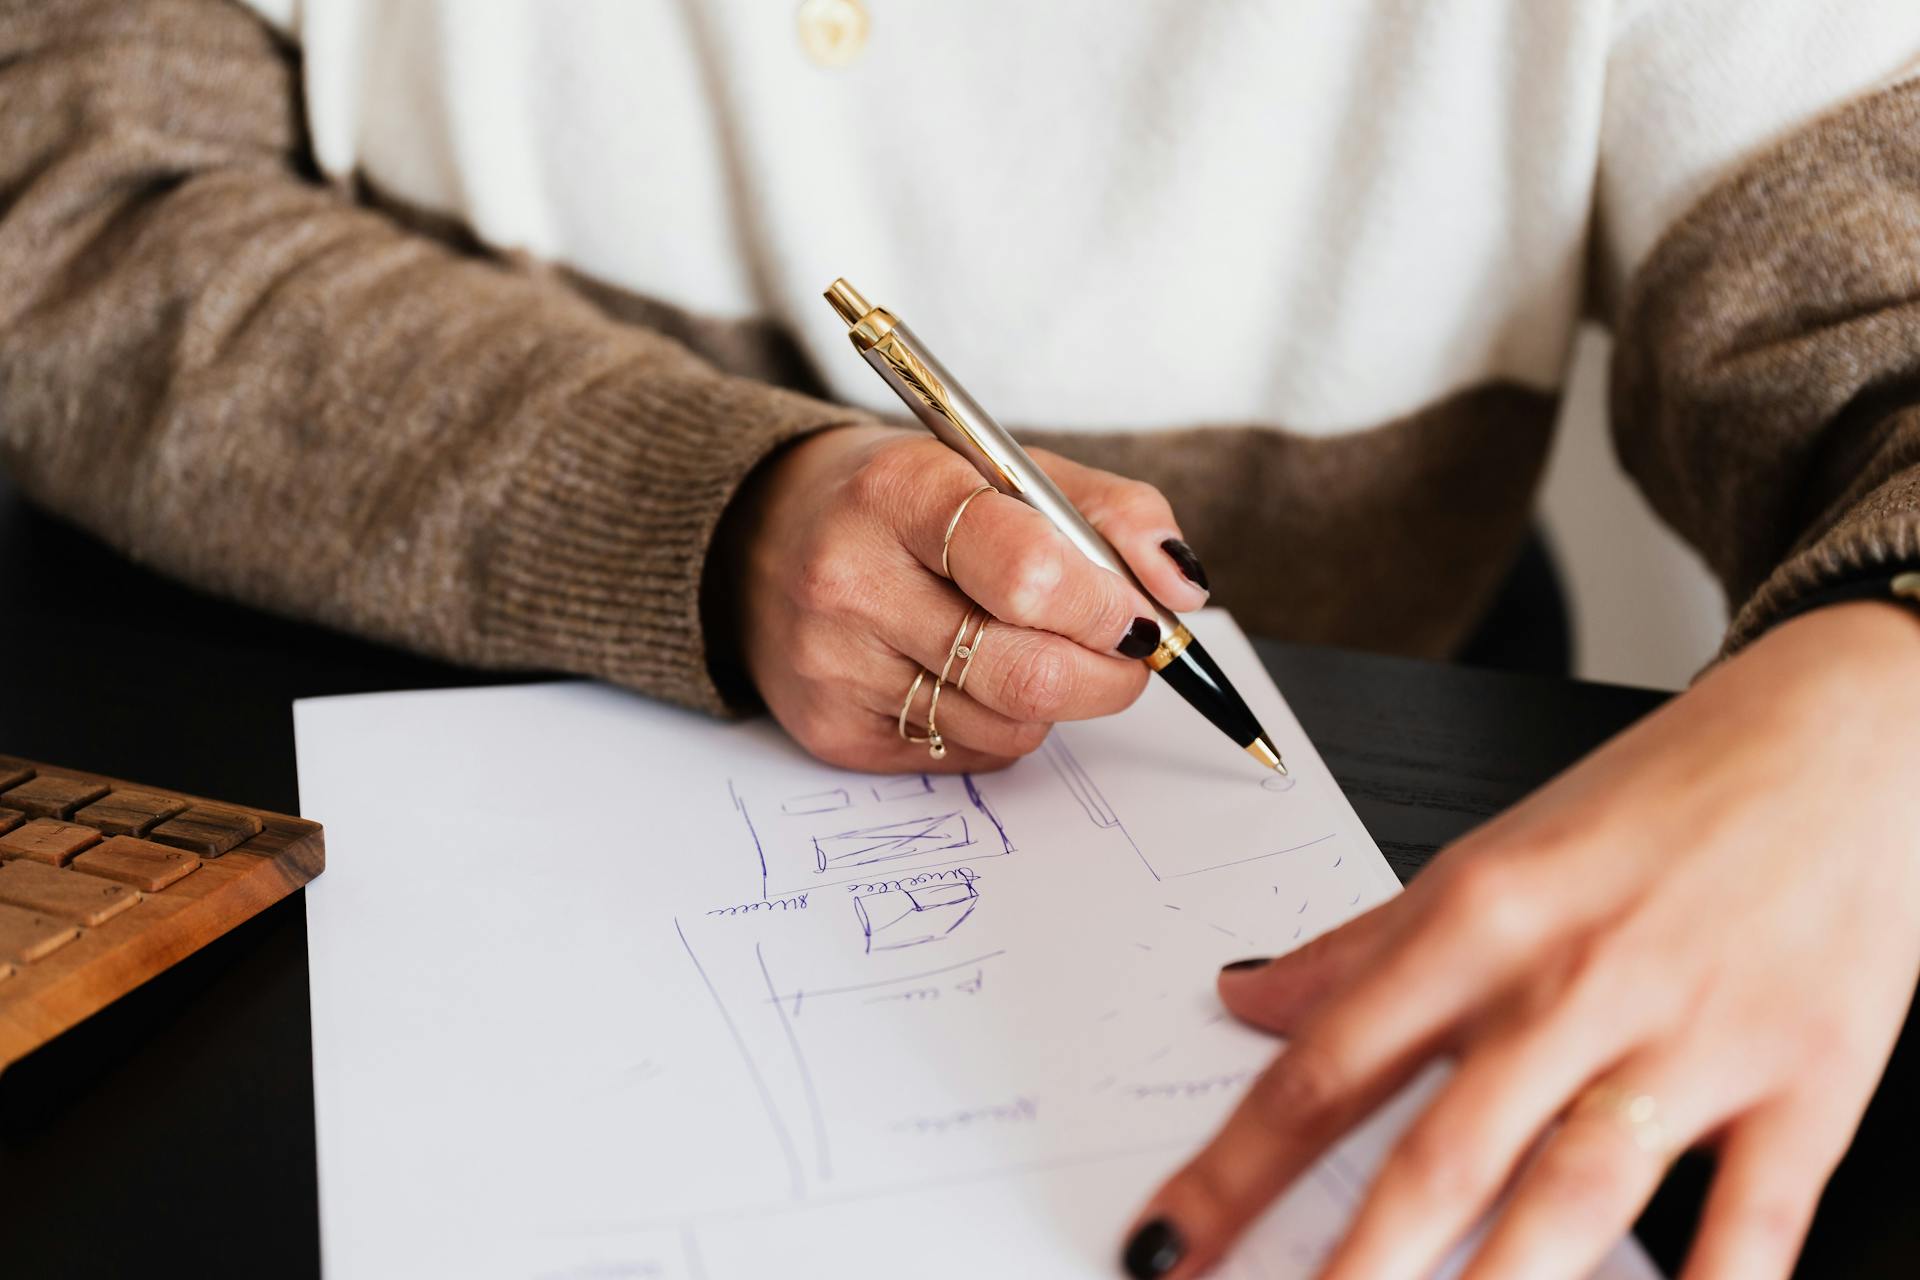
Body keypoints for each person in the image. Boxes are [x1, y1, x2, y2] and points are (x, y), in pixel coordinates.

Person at [2, 2, 1917, 1276]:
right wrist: (714, 501)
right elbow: (71, 189)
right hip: (292, 808)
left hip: (1372, 731)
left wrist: (1881, 694)